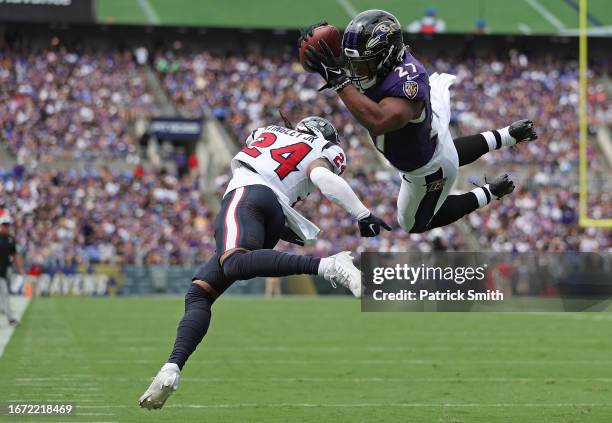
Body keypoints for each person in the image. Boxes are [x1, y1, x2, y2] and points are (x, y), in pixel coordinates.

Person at [138, 116, 390, 409]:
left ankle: (327, 266)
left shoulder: (268, 130)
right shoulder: (322, 148)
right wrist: (361, 214)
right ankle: (171, 368)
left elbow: (269, 152)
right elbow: (322, 177)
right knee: (200, 291)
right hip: (274, 215)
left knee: (233, 262)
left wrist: (361, 213)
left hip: (248, 195)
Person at [301, 10, 538, 235]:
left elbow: (379, 121)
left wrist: (339, 80)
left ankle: (490, 192)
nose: (354, 68)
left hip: (427, 170)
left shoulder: (408, 83)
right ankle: (509, 135)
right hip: (429, 139)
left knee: (412, 224)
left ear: (385, 57)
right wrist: (324, 52)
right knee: (448, 151)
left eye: (361, 62)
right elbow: (356, 63)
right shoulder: (384, 61)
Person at [0, 214, 24, 326]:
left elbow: (15, 255)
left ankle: (9, 318)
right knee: (4, 293)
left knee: (4, 293)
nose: (5, 227)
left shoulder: (10, 239)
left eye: (7, 225)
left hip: (3, 272)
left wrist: (20, 268)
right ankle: (10, 318)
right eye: (4, 225)